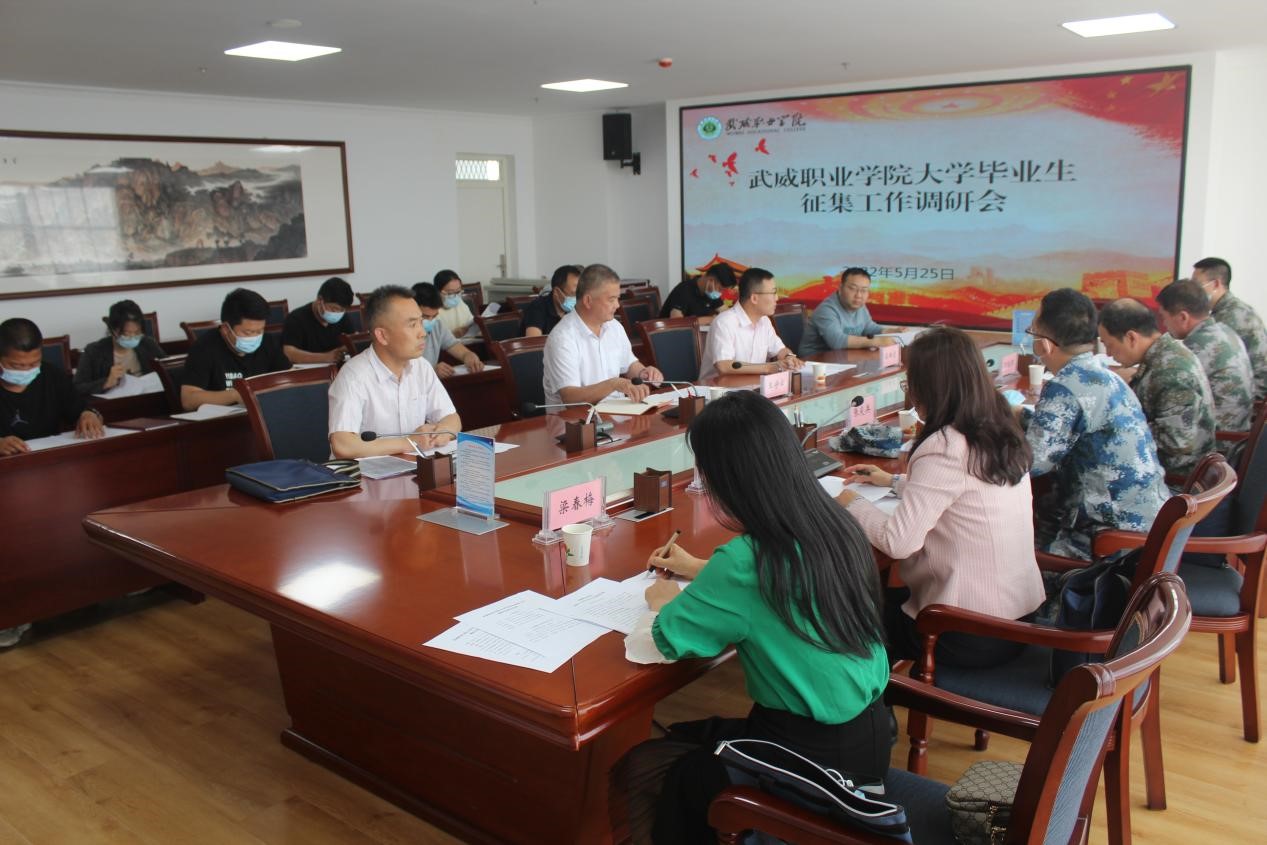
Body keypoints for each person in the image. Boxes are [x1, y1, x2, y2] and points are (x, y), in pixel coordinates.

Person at [619, 389, 889, 844]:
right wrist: (701, 569)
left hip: (808, 767)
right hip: (868, 741)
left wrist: (663, 599)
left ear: (727, 480)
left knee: (651, 766)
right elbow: (782, 587)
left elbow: (666, 641)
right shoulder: (833, 524)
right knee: (690, 734)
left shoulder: (746, 561)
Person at [837, 327, 1045, 668]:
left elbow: (898, 542)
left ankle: (875, 697)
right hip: (1017, 619)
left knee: (842, 612)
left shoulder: (945, 445)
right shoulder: (999, 427)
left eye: (910, 382)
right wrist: (893, 481)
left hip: (965, 632)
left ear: (929, 387)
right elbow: (963, 492)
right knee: (882, 596)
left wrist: (849, 502)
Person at [1022, 289, 1169, 559]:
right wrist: (1018, 416)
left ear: (1044, 344)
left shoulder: (1065, 386)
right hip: (1148, 523)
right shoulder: (1105, 376)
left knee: (1012, 555)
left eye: (1032, 333)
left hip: (1111, 542)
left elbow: (1028, 463)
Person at [328, 285, 461, 459]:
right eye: (412, 325)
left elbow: (452, 418)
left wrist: (441, 433)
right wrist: (410, 442)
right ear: (382, 336)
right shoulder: (353, 376)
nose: (422, 333)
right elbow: (343, 445)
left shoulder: (421, 367)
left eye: (421, 322)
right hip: (365, 474)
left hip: (411, 467)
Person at [1098, 297, 1216, 477]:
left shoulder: (1171, 371)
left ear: (1131, 338)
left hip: (1176, 477)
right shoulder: (1165, 355)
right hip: (1162, 466)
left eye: (1109, 345)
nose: (1108, 354)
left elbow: (1176, 441)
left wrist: (1116, 426)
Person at [541, 263, 664, 407]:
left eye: (618, 298)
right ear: (588, 301)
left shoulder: (614, 327)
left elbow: (630, 364)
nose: (617, 305)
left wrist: (644, 372)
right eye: (611, 299)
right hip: (576, 418)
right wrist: (613, 384)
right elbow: (570, 397)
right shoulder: (562, 338)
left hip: (617, 412)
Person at [1157, 278, 1255, 437]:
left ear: (1183, 317)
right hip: (1238, 431)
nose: (1164, 324)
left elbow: (1167, 388)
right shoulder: (1223, 330)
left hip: (1220, 439)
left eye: (1164, 317)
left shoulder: (1197, 346)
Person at [1, 317, 105, 456]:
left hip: (49, 457)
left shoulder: (51, 374)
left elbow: (80, 409)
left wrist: (89, 414)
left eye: (34, 364)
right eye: (17, 365)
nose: (26, 370)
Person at [180, 288, 292, 411]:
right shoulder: (204, 347)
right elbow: (188, 400)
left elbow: (289, 379)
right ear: (225, 329)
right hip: (223, 418)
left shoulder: (268, 342)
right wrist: (236, 395)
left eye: (260, 331)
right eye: (248, 332)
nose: (255, 337)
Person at [697, 267, 804, 379]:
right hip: (718, 388)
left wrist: (789, 357)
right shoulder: (724, 322)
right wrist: (769, 367)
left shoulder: (764, 321)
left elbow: (780, 350)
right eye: (773, 293)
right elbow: (723, 366)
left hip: (751, 385)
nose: (776, 298)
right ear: (754, 298)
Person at [1194, 257, 1267, 403]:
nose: (1193, 292)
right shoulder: (1229, 310)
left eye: (1197, 285)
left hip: (1246, 400)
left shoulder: (1231, 317)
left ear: (1215, 284)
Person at [73, 299, 166, 395]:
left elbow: (168, 371)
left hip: (149, 398)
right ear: (113, 330)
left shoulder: (148, 344)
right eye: (127, 333)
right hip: (115, 402)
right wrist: (106, 383)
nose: (132, 337)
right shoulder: (94, 351)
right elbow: (78, 387)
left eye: (137, 333)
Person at [799, 267, 897, 356]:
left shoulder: (859, 306)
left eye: (864, 290)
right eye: (853, 289)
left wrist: (891, 332)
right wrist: (876, 341)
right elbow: (837, 341)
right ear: (840, 288)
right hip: (815, 361)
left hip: (843, 358)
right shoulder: (826, 309)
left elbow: (868, 327)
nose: (858, 295)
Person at [411, 283, 485, 377]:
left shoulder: (437, 326)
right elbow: (402, 371)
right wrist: (432, 370)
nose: (430, 321)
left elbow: (457, 348)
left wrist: (469, 356)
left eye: (434, 316)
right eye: (425, 316)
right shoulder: (401, 333)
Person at [281, 276, 354, 365]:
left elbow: (352, 342)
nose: (337, 313)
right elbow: (289, 353)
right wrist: (326, 357)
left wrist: (346, 349)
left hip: (339, 369)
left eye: (342, 310)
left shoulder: (343, 317)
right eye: (333, 309)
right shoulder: (296, 319)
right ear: (320, 300)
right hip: (309, 370)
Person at [520, 265, 581, 337]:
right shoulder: (537, 308)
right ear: (556, 292)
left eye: (580, 293)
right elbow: (533, 342)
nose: (577, 298)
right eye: (573, 294)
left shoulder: (577, 309)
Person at [659, 264, 730, 322]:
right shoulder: (683, 290)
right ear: (711, 280)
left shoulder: (710, 292)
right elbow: (677, 322)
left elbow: (727, 314)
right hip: (667, 333)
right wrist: (710, 319)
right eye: (720, 289)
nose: (720, 293)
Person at [432, 269, 476, 339]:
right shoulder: (430, 310)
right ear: (437, 291)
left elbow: (471, 323)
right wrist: (452, 335)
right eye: (450, 293)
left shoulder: (461, 304)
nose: (455, 297)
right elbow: (429, 340)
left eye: (458, 292)